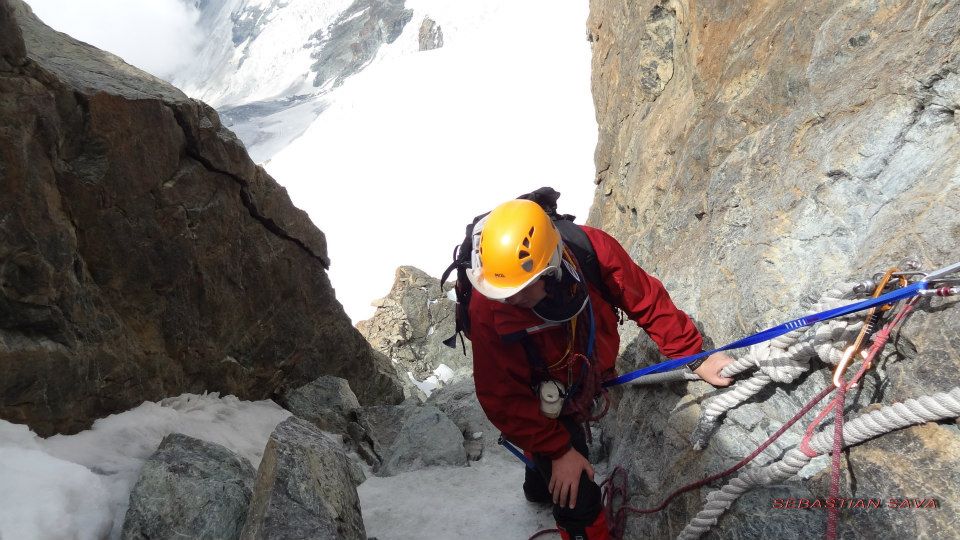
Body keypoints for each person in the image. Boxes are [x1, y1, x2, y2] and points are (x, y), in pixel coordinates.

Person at [467, 198, 734, 540]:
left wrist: (694, 356)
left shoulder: (591, 250)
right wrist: (560, 451)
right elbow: (501, 396)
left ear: (550, 266)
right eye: (502, 291)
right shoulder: (488, 305)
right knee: (575, 495)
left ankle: (539, 477)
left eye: (519, 289)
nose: (508, 299)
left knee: (550, 474)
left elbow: (643, 298)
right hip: (538, 395)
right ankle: (551, 483)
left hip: (579, 377)